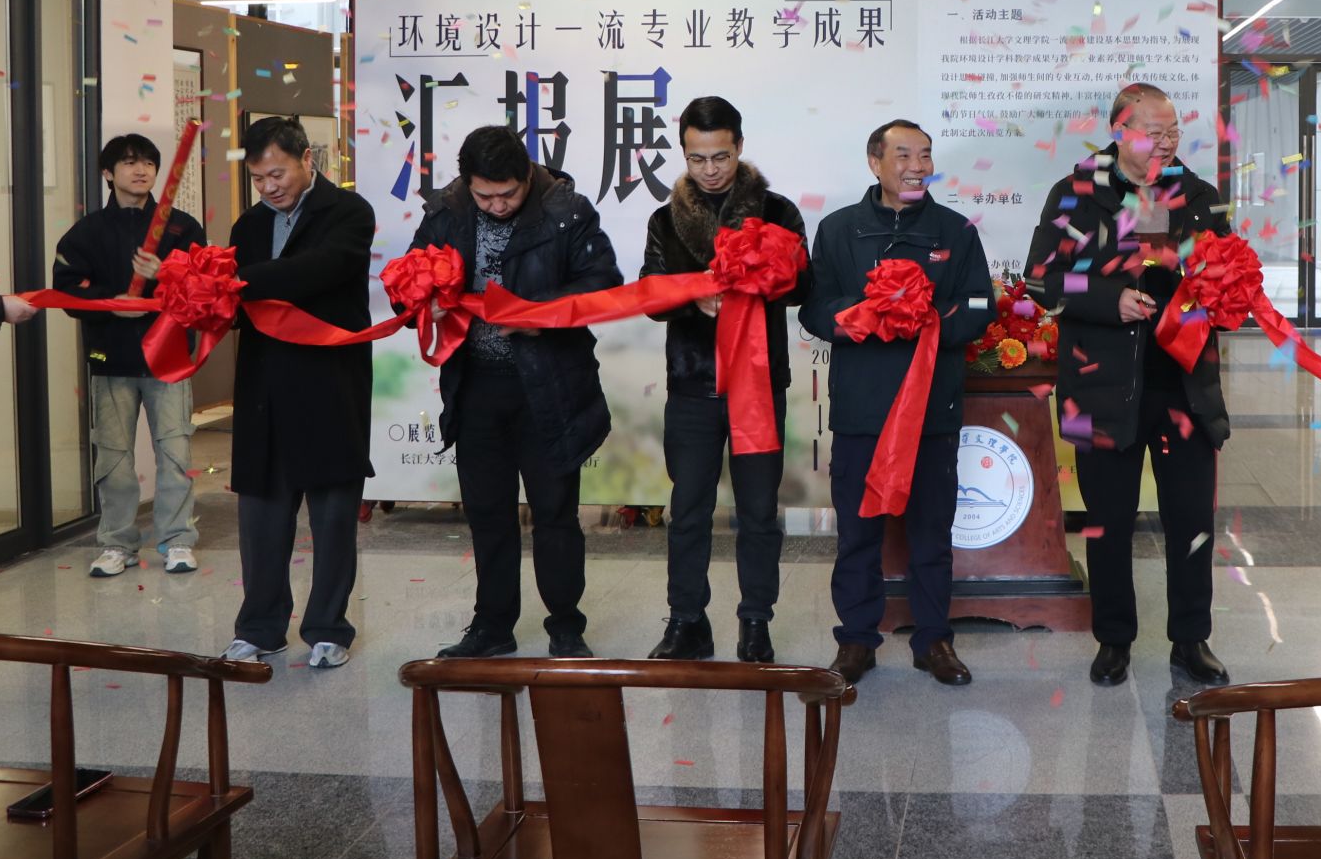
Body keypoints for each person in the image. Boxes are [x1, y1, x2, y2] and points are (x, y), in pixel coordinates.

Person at [1023, 82, 1234, 689]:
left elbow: (1228, 275)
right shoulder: (1076, 193)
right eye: (1154, 133)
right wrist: (1108, 300)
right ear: (1120, 132)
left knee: (1190, 521)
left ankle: (1191, 639)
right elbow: (1041, 280)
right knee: (1108, 521)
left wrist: (1224, 292)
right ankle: (1113, 639)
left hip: (1184, 387)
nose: (1167, 143)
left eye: (1174, 132)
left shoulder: (1199, 196)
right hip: (1101, 386)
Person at [413, 126, 622, 660]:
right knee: (488, 513)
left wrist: (537, 315)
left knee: (555, 514)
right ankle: (492, 625)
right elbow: (408, 278)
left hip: (549, 386)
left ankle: (566, 625)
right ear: (467, 183)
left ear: (527, 175)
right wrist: (421, 301)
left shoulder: (567, 211)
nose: (498, 205)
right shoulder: (447, 213)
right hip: (477, 386)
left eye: (508, 193)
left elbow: (603, 283)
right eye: (485, 196)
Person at [800, 120, 990, 687]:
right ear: (874, 162)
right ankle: (857, 640)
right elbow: (814, 309)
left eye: (925, 155)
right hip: (863, 410)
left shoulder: (956, 231)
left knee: (931, 532)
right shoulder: (838, 230)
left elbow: (979, 306)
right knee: (859, 534)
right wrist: (868, 316)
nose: (916, 166)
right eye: (903, 155)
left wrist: (923, 319)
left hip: (932, 410)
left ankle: (934, 640)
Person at [640, 97, 812, 664]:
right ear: (683, 153)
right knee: (687, 508)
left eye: (720, 156)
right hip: (692, 385)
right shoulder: (665, 219)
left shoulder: (777, 212)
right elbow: (651, 296)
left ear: (739, 146)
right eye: (697, 158)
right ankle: (686, 620)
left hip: (758, 384)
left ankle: (756, 621)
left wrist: (759, 281)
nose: (710, 169)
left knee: (758, 511)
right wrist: (695, 298)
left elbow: (804, 287)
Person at [222, 117, 376, 670]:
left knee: (333, 517)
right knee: (261, 519)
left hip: (327, 384)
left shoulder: (349, 213)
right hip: (264, 386)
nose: (269, 188)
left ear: (307, 159)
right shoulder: (247, 225)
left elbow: (318, 272)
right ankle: (259, 627)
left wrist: (238, 281)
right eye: (258, 178)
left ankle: (329, 628)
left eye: (278, 174)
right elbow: (238, 307)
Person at [53, 134, 207, 577]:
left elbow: (204, 287)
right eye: (128, 163)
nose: (141, 171)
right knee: (114, 458)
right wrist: (110, 303)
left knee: (175, 453)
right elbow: (66, 289)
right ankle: (117, 543)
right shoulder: (86, 233)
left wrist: (166, 273)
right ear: (108, 172)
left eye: (148, 164)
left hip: (168, 357)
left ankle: (178, 540)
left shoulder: (181, 227)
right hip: (112, 358)